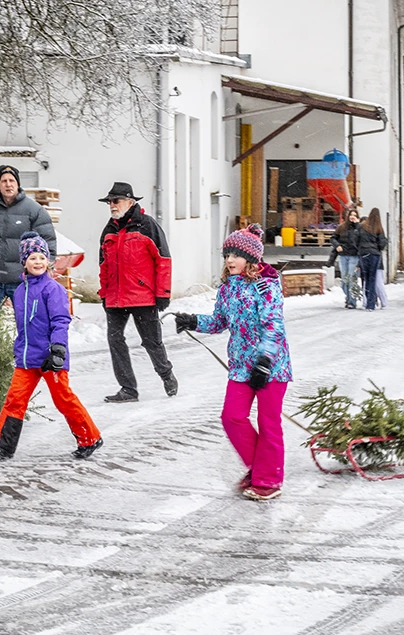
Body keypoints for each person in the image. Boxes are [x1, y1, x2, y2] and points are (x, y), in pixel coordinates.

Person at [173, 225, 293, 501]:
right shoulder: (228, 288)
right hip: (241, 367)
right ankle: (259, 467)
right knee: (232, 417)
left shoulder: (267, 286)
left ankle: (269, 478)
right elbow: (219, 322)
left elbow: (273, 326)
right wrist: (193, 321)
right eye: (227, 254)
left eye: (236, 255)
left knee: (268, 422)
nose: (229, 260)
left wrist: (265, 360)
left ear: (250, 259)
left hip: (271, 367)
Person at [0, 232, 103, 460]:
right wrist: (19, 349)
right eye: (32, 258)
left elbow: (60, 320)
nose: (37, 262)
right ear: (24, 262)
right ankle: (3, 446)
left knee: (63, 399)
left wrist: (58, 349)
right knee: (14, 400)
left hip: (51, 357)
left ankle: (90, 438)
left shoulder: (52, 289)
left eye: (41, 258)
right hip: (27, 359)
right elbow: (23, 327)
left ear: (48, 261)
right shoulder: (19, 292)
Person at [97, 182, 177, 403]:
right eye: (110, 202)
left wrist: (163, 293)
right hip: (115, 297)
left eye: (116, 201)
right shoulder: (109, 230)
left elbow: (163, 261)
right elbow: (103, 264)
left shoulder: (147, 226)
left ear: (130, 202)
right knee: (115, 341)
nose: (112, 205)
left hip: (143, 296)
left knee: (151, 342)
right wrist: (104, 293)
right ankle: (128, 389)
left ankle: (166, 374)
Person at [0, 165, 56, 312]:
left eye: (12, 180)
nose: (8, 184)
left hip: (23, 280)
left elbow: (48, 241)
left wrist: (46, 269)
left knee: (27, 324)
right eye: (4, 181)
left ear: (18, 184)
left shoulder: (34, 210)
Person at [357, 208, 388, 312]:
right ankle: (371, 304)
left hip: (363, 254)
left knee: (366, 278)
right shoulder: (379, 228)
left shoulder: (362, 226)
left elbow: (356, 239)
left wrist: (361, 249)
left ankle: (367, 303)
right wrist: (377, 248)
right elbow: (382, 243)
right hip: (374, 255)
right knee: (373, 278)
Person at [332, 208, 362, 308]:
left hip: (354, 256)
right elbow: (333, 238)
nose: (352, 216)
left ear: (357, 217)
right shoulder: (342, 227)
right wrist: (337, 245)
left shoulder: (359, 228)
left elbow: (363, 238)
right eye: (351, 214)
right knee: (345, 280)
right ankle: (348, 298)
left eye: (354, 215)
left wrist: (357, 224)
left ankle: (352, 302)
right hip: (343, 256)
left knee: (352, 279)